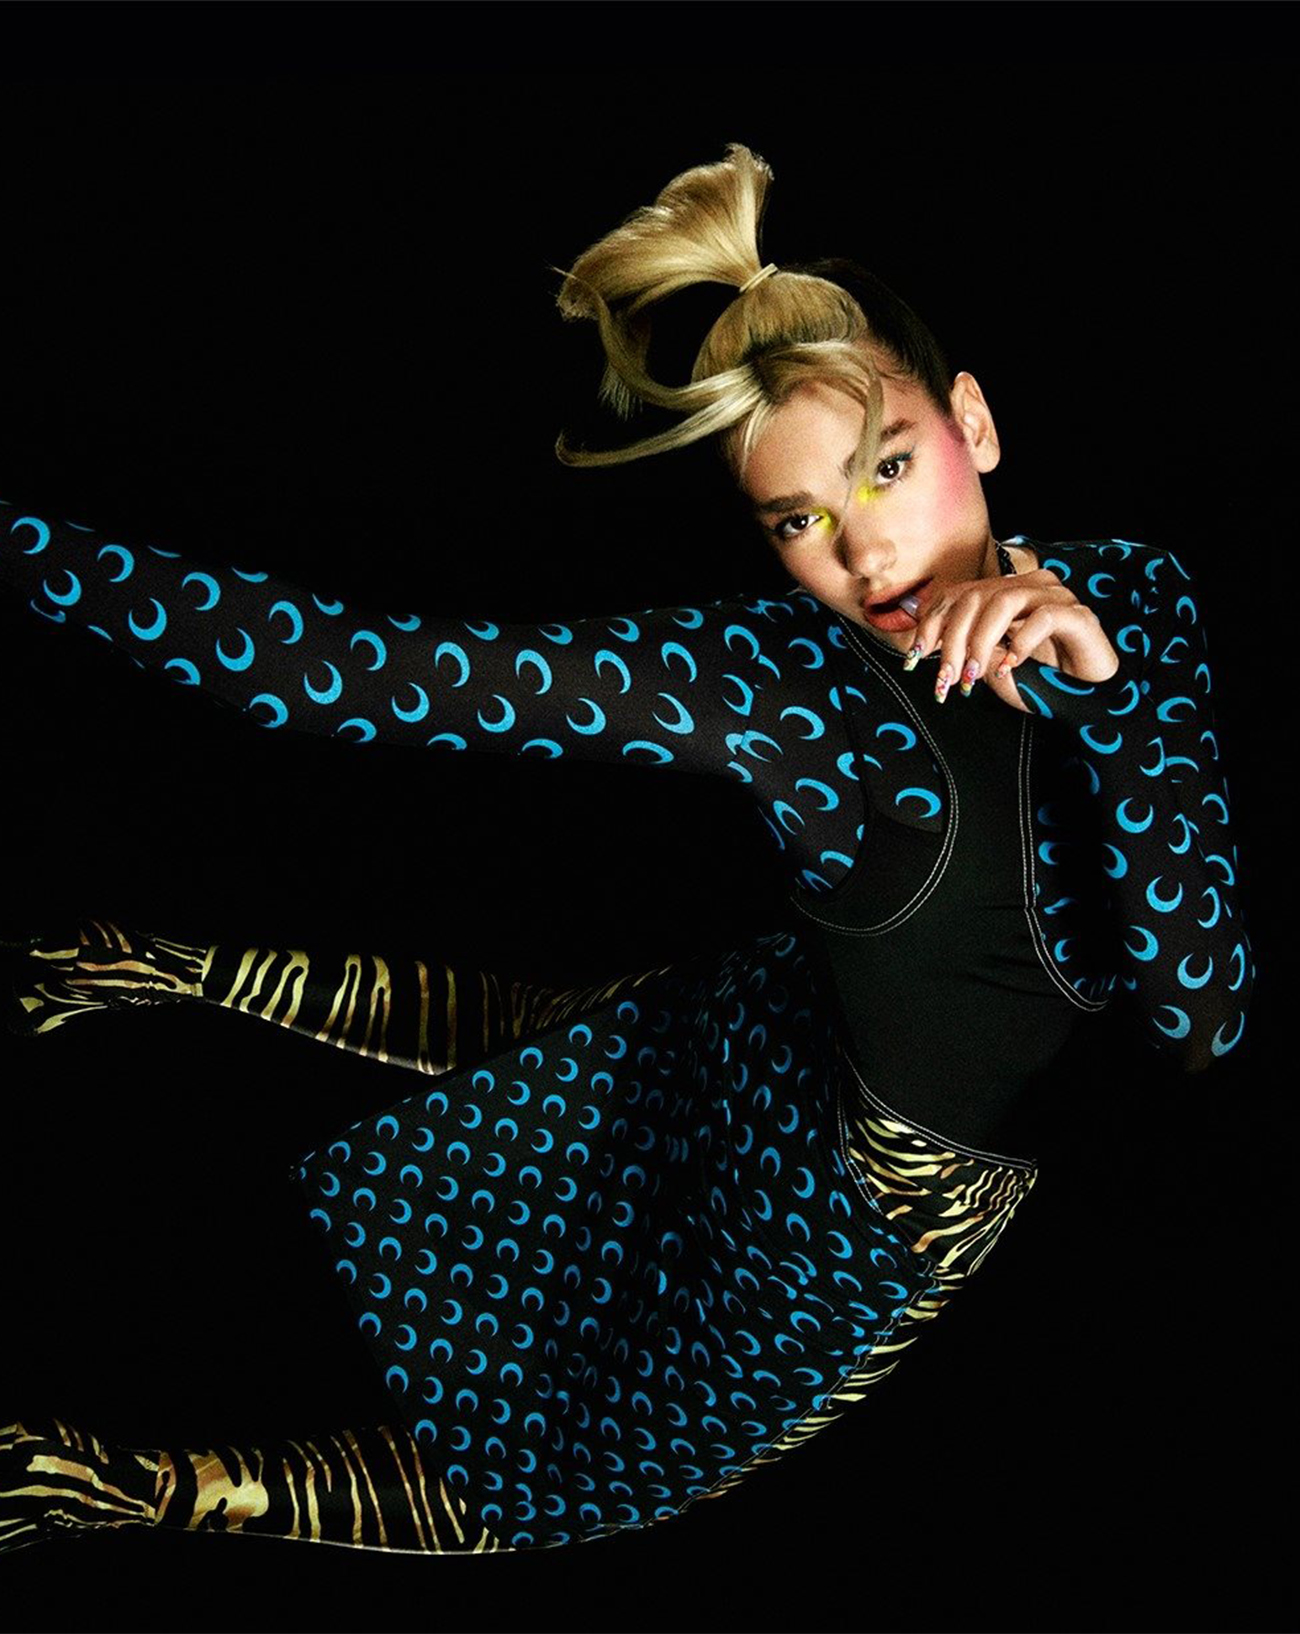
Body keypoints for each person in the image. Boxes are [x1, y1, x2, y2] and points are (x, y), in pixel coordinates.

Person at [0, 142, 1253, 1556]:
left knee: (527, 1055)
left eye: (889, 469)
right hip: (843, 1188)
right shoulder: (782, 680)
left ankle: (137, 977)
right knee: (559, 1478)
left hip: (831, 1123)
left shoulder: (1133, 593)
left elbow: (1199, 1009)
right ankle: (89, 1476)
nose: (866, 558)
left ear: (975, 419)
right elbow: (352, 672)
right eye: (800, 521)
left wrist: (1105, 697)